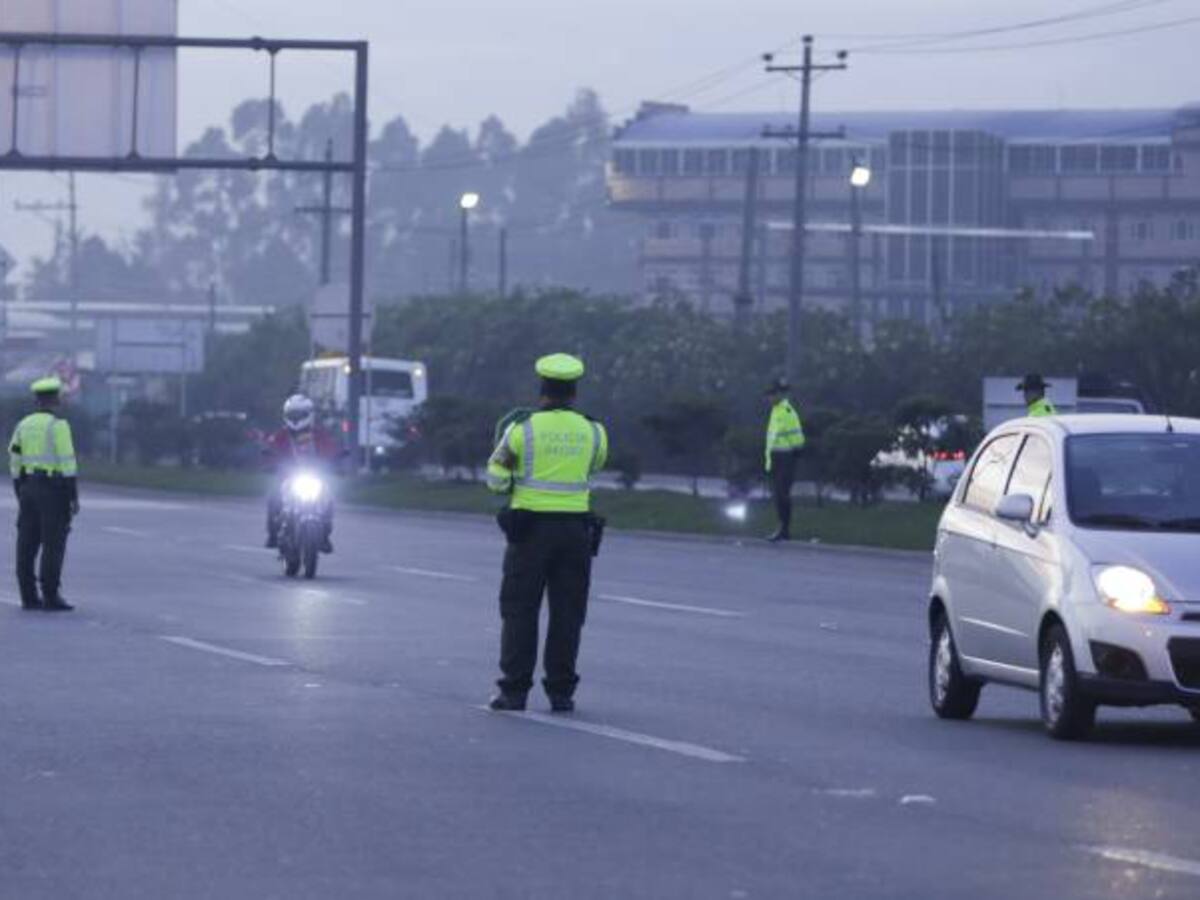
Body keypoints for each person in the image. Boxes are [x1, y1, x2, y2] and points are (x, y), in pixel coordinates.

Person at [485, 353, 609, 714]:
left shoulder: (521, 430)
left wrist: (511, 481)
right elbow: (596, 464)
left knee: (520, 610)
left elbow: (495, 479)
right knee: (568, 612)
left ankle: (514, 691)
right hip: (575, 532)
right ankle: (561, 693)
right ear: (574, 393)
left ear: (542, 390)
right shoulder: (594, 431)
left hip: (530, 531)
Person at [8, 377, 79, 611]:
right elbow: (67, 463)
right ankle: (50, 596)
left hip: (28, 487)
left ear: (37, 400)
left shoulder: (23, 425)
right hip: (53, 490)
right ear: (56, 399)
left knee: (26, 542)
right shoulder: (58, 426)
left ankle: (28, 596)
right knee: (53, 543)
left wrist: (20, 488)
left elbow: (15, 459)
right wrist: (73, 496)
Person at [263, 394, 340, 552]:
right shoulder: (282, 435)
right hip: (288, 477)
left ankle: (324, 535)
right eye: (293, 415)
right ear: (286, 416)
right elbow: (271, 448)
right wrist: (270, 459)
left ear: (309, 415)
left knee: (329, 498)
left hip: (315, 476)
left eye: (300, 415)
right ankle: (273, 534)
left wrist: (337, 458)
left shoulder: (319, 434)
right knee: (273, 497)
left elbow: (332, 448)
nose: (296, 419)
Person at [764, 377, 806, 542]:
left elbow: (796, 436)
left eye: (773, 394)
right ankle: (782, 528)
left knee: (782, 494)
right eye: (769, 394)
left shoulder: (787, 412)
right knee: (778, 495)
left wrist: (796, 451)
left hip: (786, 457)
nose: (769, 398)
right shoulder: (776, 411)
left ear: (781, 395)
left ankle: (784, 529)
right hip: (776, 457)